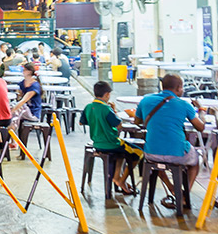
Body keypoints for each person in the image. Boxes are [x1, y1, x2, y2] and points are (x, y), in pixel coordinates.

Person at [135, 74, 205, 209]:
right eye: (182, 87)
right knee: (196, 161)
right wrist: (201, 110)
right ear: (178, 88)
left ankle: (172, 188)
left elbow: (137, 121)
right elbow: (200, 127)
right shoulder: (184, 104)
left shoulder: (146, 100)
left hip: (151, 153)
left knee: (158, 163)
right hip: (177, 154)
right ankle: (184, 195)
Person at [81, 81, 140, 195]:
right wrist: (114, 111)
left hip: (96, 143)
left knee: (121, 154)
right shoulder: (106, 109)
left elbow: (81, 122)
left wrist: (97, 122)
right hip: (111, 143)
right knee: (138, 153)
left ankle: (116, 177)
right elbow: (119, 125)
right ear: (107, 94)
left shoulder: (88, 107)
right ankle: (121, 181)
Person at [8, 63, 42, 133]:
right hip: (25, 109)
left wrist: (11, 111)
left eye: (24, 70)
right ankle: (10, 134)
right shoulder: (23, 82)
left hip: (32, 113)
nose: (22, 72)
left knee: (16, 110)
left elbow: (23, 100)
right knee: (12, 107)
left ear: (29, 72)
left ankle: (12, 136)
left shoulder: (35, 86)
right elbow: (20, 95)